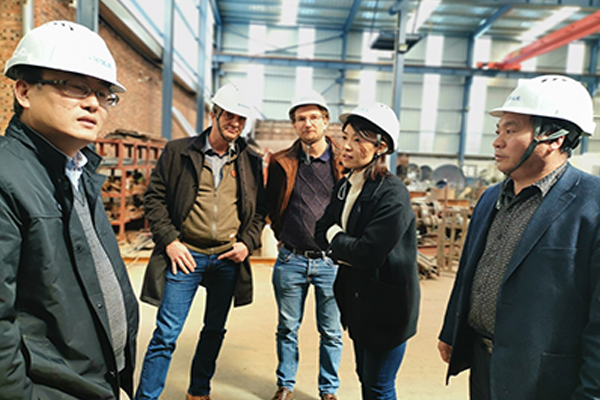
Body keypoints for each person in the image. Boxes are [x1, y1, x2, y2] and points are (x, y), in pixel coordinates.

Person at [438, 75, 600, 400]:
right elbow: (469, 269)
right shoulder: (490, 197)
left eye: (510, 131)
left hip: (544, 378)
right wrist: (451, 331)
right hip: (484, 364)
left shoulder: (591, 205)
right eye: (498, 131)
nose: (497, 142)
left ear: (555, 138)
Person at [0, 20, 139, 399]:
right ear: (24, 91)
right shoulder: (7, 178)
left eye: (103, 93)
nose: (93, 103)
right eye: (76, 86)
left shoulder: (78, 172)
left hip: (98, 380)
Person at [135, 83, 266, 400]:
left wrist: (247, 244)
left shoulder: (250, 160)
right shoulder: (178, 152)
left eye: (241, 118)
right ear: (213, 114)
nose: (235, 123)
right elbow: (154, 199)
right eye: (229, 115)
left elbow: (260, 211)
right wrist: (170, 241)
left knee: (214, 330)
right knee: (166, 334)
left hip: (226, 259)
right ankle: (146, 397)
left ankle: (198, 391)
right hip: (185, 256)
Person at [315, 103, 421, 400]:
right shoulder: (347, 185)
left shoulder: (392, 193)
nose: (346, 146)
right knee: (366, 377)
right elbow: (319, 229)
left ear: (381, 146)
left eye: (358, 139)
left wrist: (336, 236)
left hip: (387, 308)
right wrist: (340, 240)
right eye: (345, 137)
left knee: (379, 386)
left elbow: (368, 253)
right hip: (359, 302)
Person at [265, 90, 344, 400]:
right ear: (294, 125)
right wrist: (283, 235)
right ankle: (285, 385)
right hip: (291, 260)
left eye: (313, 117)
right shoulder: (281, 162)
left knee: (332, 332)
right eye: (300, 119)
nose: (307, 123)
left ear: (326, 121)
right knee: (287, 327)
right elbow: (272, 205)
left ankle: (328, 390)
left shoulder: (344, 160)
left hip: (331, 262)